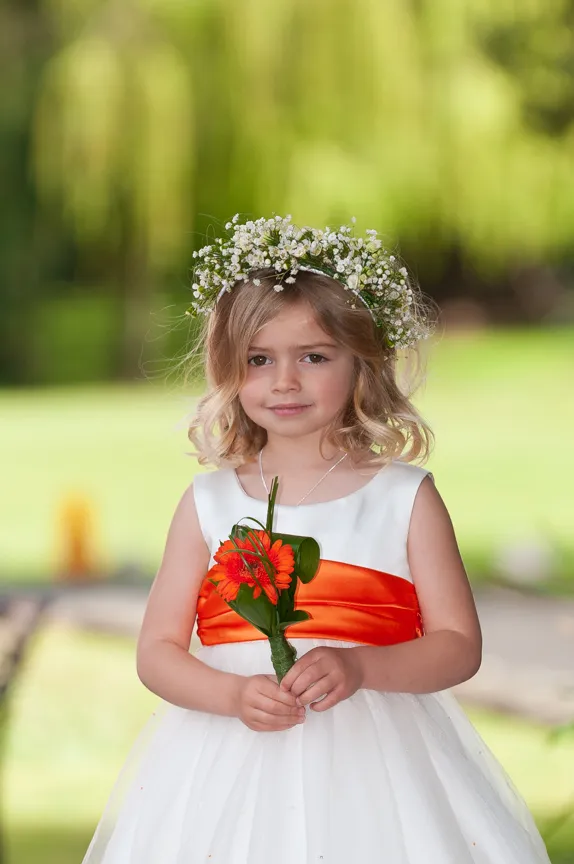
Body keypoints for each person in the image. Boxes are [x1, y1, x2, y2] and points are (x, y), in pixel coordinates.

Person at [82, 215, 551, 863]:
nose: (285, 381)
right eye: (259, 360)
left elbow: (457, 646)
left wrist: (361, 665)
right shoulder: (209, 504)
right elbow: (157, 651)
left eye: (314, 357)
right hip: (225, 758)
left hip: (376, 762)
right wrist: (230, 694)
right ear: (229, 371)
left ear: (362, 363)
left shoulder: (402, 498)